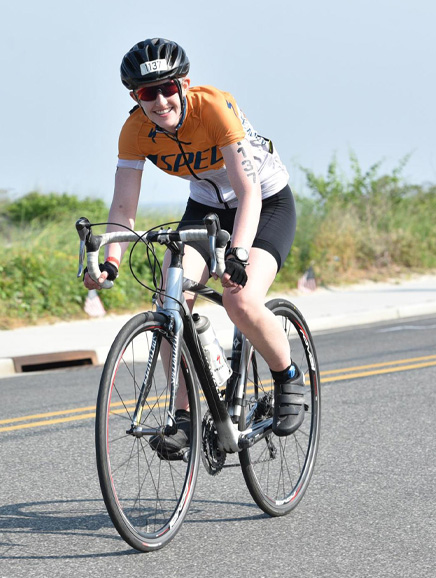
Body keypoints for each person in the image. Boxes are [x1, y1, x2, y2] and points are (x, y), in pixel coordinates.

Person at [83, 38, 304, 453]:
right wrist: (110, 261)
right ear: (135, 96)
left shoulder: (214, 108)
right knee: (172, 300)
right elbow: (123, 204)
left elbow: (247, 190)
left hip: (265, 201)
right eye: (148, 93)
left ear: (184, 84)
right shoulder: (135, 131)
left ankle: (287, 376)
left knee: (240, 301)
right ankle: (184, 413)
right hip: (204, 209)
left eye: (168, 88)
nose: (161, 100)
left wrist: (237, 254)